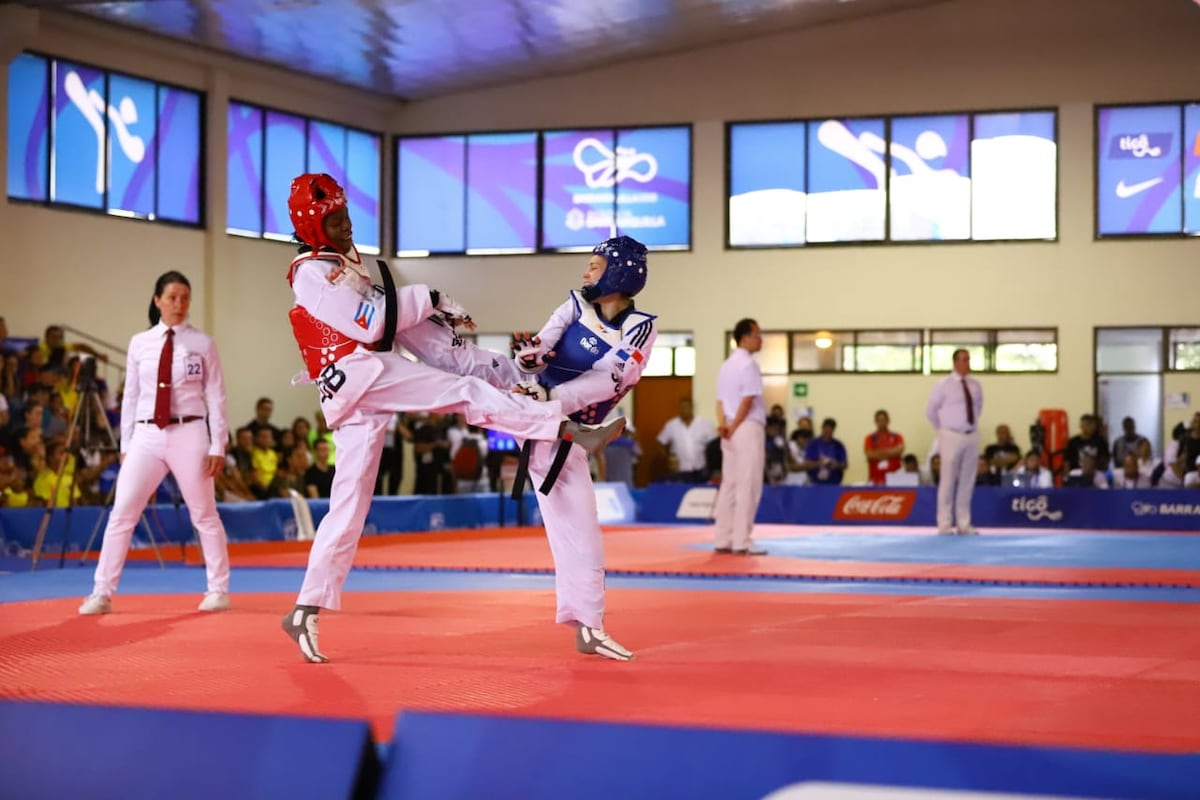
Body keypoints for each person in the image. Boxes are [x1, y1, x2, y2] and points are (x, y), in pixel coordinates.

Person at [278, 173, 620, 663]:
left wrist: (497, 363)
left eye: (347, 214)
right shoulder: (311, 273)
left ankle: (304, 610)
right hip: (356, 373)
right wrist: (431, 298)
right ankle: (563, 429)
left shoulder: (352, 268)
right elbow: (375, 323)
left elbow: (417, 336)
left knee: (349, 504)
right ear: (312, 226)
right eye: (335, 220)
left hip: (360, 388)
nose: (347, 226)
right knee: (461, 391)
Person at [396, 235, 657, 661]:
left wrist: (551, 401)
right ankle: (399, 318)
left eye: (594, 264)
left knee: (579, 533)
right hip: (528, 396)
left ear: (619, 273)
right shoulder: (573, 304)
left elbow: (611, 380)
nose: (585, 272)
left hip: (551, 419)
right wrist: (531, 356)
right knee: (464, 361)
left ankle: (588, 626)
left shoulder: (639, 327)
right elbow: (534, 353)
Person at [78, 272, 232, 615]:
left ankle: (218, 589)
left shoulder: (203, 343)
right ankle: (101, 592)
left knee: (204, 514)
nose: (179, 304)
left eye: (185, 298)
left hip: (190, 431)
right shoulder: (139, 343)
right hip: (147, 434)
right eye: (172, 297)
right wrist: (127, 445)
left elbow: (216, 397)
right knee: (122, 513)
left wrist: (217, 444)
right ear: (157, 300)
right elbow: (130, 395)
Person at [713, 318, 767, 555]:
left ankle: (723, 538)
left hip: (729, 428)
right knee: (748, 484)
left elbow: (720, 401)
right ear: (745, 338)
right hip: (745, 427)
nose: (760, 339)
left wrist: (723, 425)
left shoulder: (726, 366)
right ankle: (742, 540)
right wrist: (734, 425)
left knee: (730, 484)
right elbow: (748, 399)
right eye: (757, 334)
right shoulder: (749, 365)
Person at [925, 348, 983, 535]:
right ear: (955, 362)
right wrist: (943, 429)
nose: (967, 363)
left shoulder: (975, 386)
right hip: (950, 434)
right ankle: (944, 523)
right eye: (963, 360)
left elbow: (978, 408)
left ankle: (964, 523)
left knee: (967, 480)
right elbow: (931, 411)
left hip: (971, 434)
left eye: (968, 359)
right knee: (948, 479)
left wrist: (968, 425)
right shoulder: (943, 385)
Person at [656, 398, 716, 483]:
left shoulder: (704, 424)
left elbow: (714, 445)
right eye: (681, 408)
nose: (683, 410)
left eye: (686, 407)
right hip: (680, 471)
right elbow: (660, 442)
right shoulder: (672, 425)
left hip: (701, 471)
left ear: (691, 408)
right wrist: (668, 457)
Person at [863, 409, 905, 486]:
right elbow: (869, 454)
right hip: (875, 478)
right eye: (879, 420)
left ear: (888, 421)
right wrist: (891, 452)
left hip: (895, 478)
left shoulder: (897, 436)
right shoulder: (869, 438)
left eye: (884, 420)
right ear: (875, 422)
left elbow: (899, 450)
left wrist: (878, 453)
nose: (882, 422)